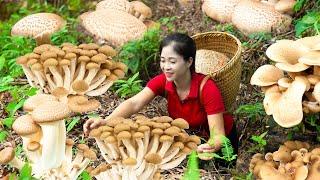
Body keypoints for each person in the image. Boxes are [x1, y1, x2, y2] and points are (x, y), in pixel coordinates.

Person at [84, 32, 238, 160]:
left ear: (189, 62)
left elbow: (218, 134)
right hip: (191, 138)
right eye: (163, 60)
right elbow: (134, 103)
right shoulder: (162, 82)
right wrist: (105, 121)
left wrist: (211, 145)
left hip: (221, 141)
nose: (166, 67)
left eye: (172, 61)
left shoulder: (207, 88)